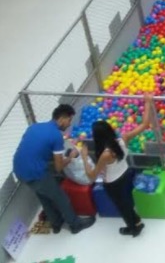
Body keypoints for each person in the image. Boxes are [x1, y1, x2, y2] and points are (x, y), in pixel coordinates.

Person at [12, 104, 95, 235]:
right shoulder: (56, 136)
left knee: (44, 197)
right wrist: (71, 157)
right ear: (61, 118)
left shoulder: (34, 127)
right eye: (68, 120)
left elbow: (34, 147)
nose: (69, 125)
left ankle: (56, 224)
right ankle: (75, 224)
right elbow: (58, 167)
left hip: (19, 170)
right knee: (61, 198)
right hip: (37, 173)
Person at [79, 95, 153, 237]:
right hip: (126, 174)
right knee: (127, 201)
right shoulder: (123, 139)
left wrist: (84, 157)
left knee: (122, 206)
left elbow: (92, 175)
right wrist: (148, 102)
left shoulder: (106, 155)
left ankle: (134, 227)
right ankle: (136, 222)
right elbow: (144, 124)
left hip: (113, 183)